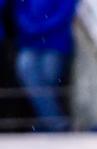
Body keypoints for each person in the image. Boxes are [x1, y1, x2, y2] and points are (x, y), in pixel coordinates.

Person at [14, 0, 79, 130]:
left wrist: (40, 27)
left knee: (48, 81)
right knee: (27, 71)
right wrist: (30, 26)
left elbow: (65, 13)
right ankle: (57, 124)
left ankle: (45, 125)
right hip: (30, 42)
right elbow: (19, 10)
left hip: (56, 42)